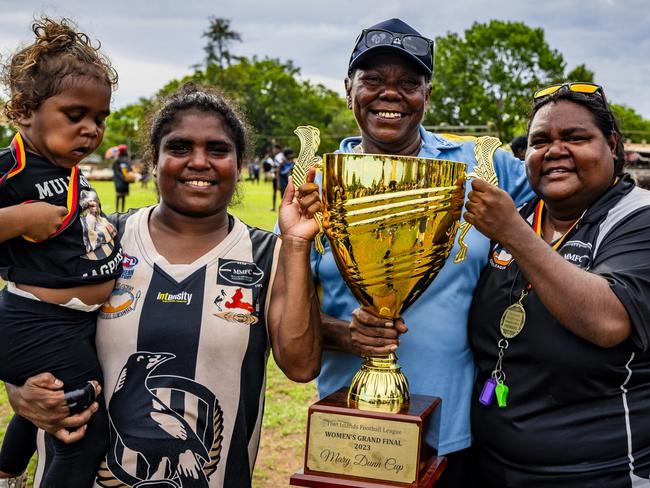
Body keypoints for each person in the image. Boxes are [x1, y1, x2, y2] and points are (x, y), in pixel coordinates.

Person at [6, 82, 322, 488]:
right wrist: (20, 390)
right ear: (153, 161)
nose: (199, 162)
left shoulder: (267, 254)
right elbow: (25, 318)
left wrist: (296, 242)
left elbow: (301, 366)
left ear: (239, 164)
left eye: (218, 150)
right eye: (179, 148)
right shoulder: (101, 239)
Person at [299, 18, 534, 487]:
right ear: (349, 90)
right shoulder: (315, 183)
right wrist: (348, 334)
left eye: (409, 82)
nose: (391, 94)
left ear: (427, 94)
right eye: (373, 80)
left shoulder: (485, 167)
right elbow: (289, 319)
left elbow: (568, 200)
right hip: (351, 429)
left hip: (455, 433)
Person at [466, 82, 650, 486]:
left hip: (600, 473)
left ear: (613, 146)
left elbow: (607, 321)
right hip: (492, 466)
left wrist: (514, 233)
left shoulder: (637, 218)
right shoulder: (521, 215)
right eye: (539, 141)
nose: (554, 150)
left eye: (575, 137)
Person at [0, 17, 122, 487]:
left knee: (42, 404)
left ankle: (6, 471)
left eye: (99, 119)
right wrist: (18, 220)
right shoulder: (10, 168)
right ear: (25, 110)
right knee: (80, 428)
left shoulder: (65, 166)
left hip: (70, 323)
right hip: (33, 320)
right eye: (76, 115)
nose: (91, 130)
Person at [112, 144, 134, 212]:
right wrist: (124, 177)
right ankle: (120, 210)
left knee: (120, 195)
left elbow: (115, 170)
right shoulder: (125, 160)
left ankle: (119, 210)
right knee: (121, 196)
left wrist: (123, 177)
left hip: (120, 180)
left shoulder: (118, 160)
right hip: (123, 180)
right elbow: (129, 169)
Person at [270, 144, 284, 211]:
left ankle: (274, 207)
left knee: (276, 192)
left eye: (274, 149)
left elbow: (278, 167)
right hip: (282, 177)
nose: (273, 151)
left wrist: (273, 170)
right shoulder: (282, 156)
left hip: (278, 177)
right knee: (282, 193)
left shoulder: (278, 157)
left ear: (277, 149)